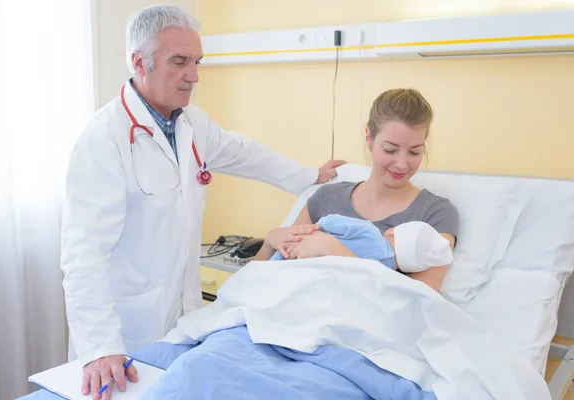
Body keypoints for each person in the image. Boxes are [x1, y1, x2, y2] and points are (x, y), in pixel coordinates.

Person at [60, 5, 345, 400]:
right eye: (179, 61)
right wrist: (100, 348)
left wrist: (309, 176)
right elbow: (84, 256)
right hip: (123, 330)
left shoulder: (191, 123)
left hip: (182, 319)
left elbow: (246, 154)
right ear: (139, 62)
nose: (193, 75)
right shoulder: (103, 141)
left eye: (196, 62)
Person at [255, 88, 459, 292]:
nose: (401, 164)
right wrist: (269, 243)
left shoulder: (435, 213)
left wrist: (331, 249)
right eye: (390, 149)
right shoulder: (326, 198)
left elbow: (421, 302)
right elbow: (258, 281)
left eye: (414, 152)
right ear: (369, 138)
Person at [269, 214, 454, 275]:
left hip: (294, 256)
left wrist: (318, 227)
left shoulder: (370, 231)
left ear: (392, 231)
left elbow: (331, 221)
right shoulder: (384, 274)